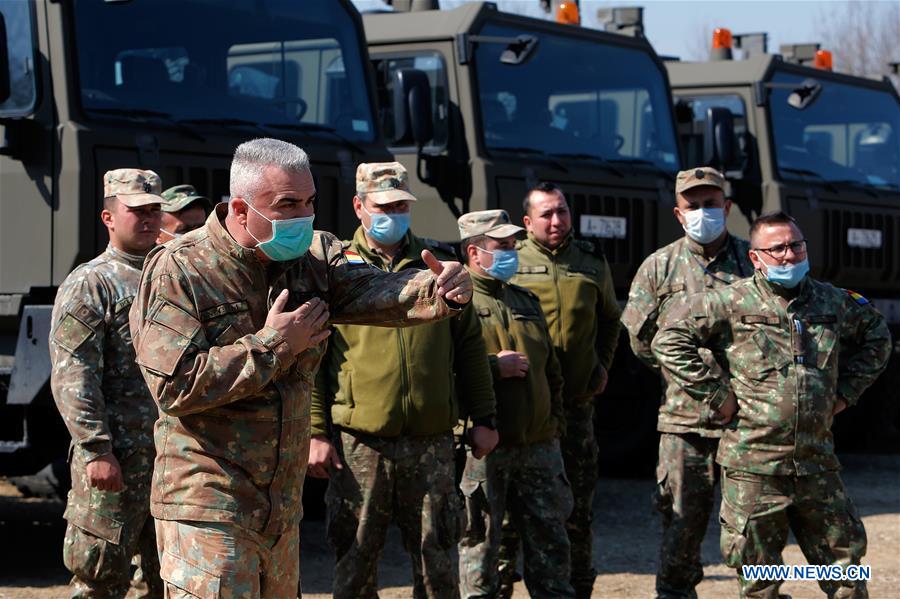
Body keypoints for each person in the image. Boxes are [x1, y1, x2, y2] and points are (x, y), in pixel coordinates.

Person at [129, 139, 475, 597]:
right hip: (208, 505)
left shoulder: (314, 259)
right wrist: (274, 346)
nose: (303, 216)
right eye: (287, 204)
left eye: (309, 201)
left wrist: (440, 290)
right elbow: (174, 386)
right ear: (240, 208)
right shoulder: (181, 270)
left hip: (280, 508)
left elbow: (378, 289)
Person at [652, 212, 891, 599]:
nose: (789, 255)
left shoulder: (832, 300)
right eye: (777, 248)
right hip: (754, 468)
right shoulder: (730, 302)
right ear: (756, 257)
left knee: (847, 580)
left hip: (816, 466)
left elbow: (877, 337)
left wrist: (846, 393)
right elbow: (669, 340)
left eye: (796, 245)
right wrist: (717, 395)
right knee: (761, 585)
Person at [307, 162, 498, 599]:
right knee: (355, 562)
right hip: (361, 442)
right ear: (359, 206)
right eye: (384, 205)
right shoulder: (335, 269)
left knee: (437, 564)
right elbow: (314, 359)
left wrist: (484, 417)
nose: (394, 213)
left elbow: (469, 348)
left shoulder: (439, 265)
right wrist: (316, 432)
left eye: (401, 205)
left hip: (432, 440)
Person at [621, 166, 753, 599]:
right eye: (693, 206)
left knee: (753, 531)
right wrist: (688, 379)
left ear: (727, 207)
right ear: (679, 214)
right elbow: (642, 343)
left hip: (748, 423)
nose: (703, 213)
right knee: (681, 529)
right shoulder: (658, 267)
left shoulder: (755, 262)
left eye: (711, 205)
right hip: (684, 425)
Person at [49, 168, 164, 598]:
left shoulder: (172, 274)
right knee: (99, 578)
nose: (149, 218)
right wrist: (96, 448)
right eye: (137, 211)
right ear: (108, 217)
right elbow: (73, 373)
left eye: (155, 210)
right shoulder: (91, 283)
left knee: (166, 579)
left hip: (172, 459)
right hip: (116, 460)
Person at [503, 182, 620, 597]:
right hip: (526, 407)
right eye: (547, 214)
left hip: (576, 407)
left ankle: (577, 587)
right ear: (527, 222)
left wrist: (601, 365)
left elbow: (610, 320)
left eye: (563, 212)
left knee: (577, 509)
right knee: (512, 515)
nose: (557, 221)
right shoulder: (511, 260)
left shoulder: (590, 261)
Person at [457, 209, 574, 599]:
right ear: (474, 254)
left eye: (512, 245)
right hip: (485, 447)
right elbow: (443, 371)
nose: (511, 253)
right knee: (481, 546)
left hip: (539, 445)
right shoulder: (456, 303)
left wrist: (554, 424)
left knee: (551, 544)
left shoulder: (525, 299)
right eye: (501, 247)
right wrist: (494, 367)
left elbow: (550, 369)